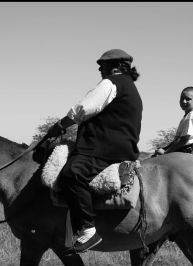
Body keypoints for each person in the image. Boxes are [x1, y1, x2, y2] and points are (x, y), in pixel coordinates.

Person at [46, 49, 143, 255]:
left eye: (103, 65)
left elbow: (83, 108)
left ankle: (87, 230)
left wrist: (59, 126)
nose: (100, 69)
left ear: (116, 67)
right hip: (120, 148)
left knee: (72, 174)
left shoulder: (111, 83)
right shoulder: (131, 88)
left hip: (103, 149)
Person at [153, 86, 193, 160]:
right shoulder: (187, 116)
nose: (184, 101)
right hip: (187, 147)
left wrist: (166, 153)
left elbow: (185, 139)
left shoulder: (192, 115)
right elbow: (177, 140)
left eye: (188, 99)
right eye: (182, 98)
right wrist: (164, 148)